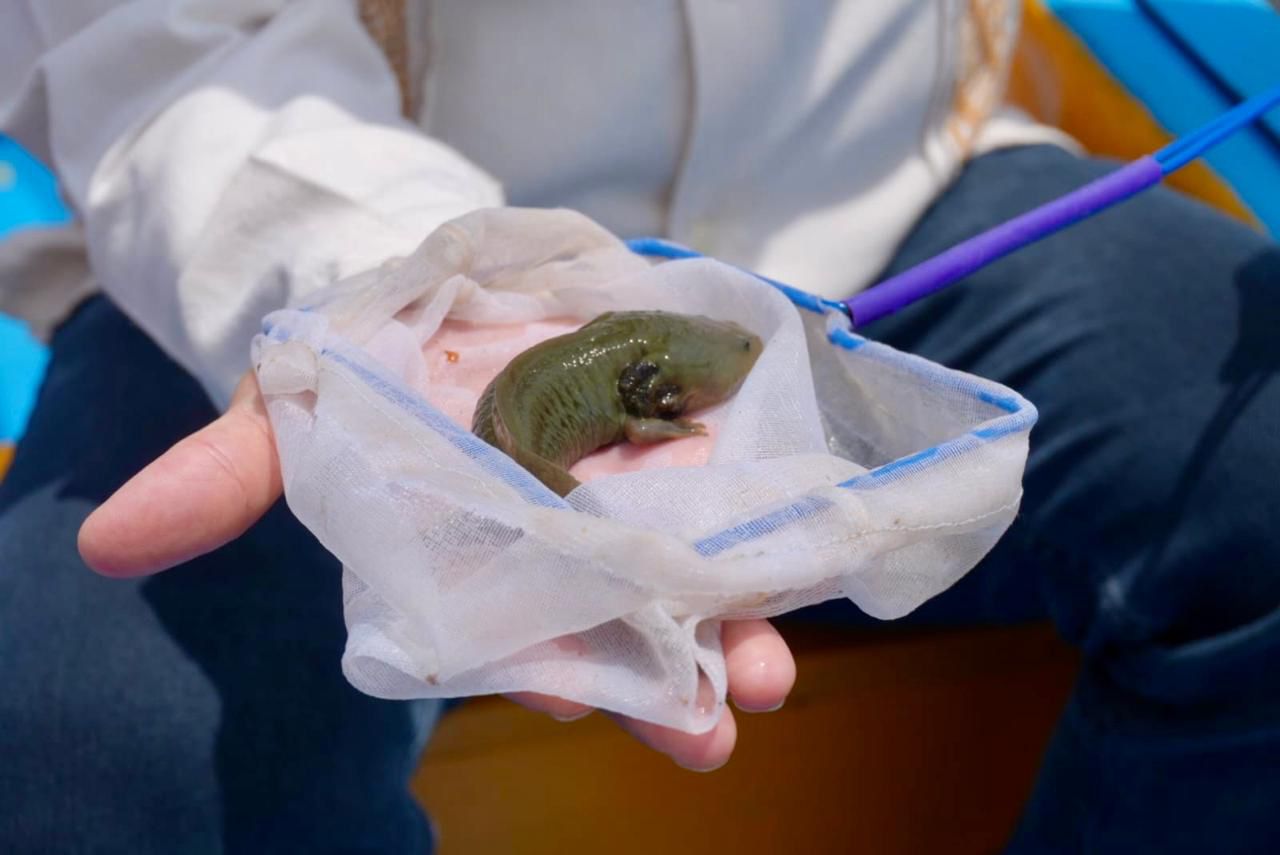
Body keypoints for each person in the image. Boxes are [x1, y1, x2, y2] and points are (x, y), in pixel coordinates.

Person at [1, 2, 1276, 852]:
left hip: (882, 181)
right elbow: (163, 43)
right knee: (87, 740)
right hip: (343, 258)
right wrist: (389, 279)